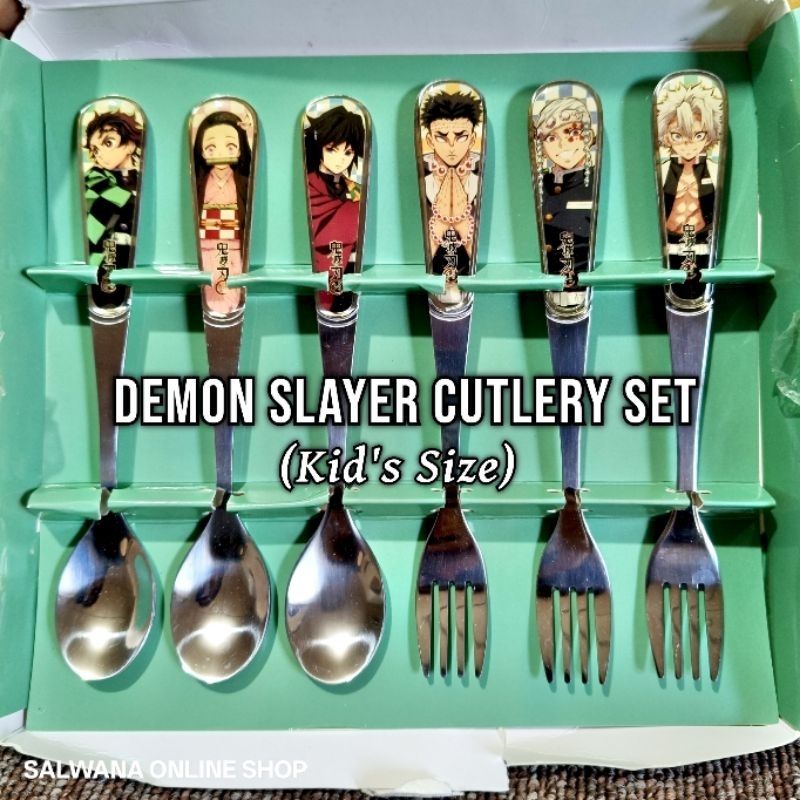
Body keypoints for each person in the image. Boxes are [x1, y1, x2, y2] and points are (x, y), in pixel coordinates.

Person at [656, 79, 724, 304]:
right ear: (667, 136)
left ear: (709, 136)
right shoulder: (663, 170)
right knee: (677, 289)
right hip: (671, 240)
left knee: (697, 290)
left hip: (702, 240)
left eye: (698, 135)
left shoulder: (711, 168)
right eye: (678, 135)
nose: (688, 144)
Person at [303, 103, 366, 315]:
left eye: (348, 152)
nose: (340, 159)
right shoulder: (308, 185)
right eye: (331, 149)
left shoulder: (355, 190)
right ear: (318, 146)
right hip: (321, 272)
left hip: (349, 273)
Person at [419, 89, 482, 290]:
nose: (452, 146)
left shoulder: (478, 178)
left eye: (461, 136)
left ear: (473, 138)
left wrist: (462, 221)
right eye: (442, 137)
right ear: (430, 140)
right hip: (435, 276)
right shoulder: (424, 178)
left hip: (467, 276)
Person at [192, 110, 253, 317]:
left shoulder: (243, 183)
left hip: (233, 245)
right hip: (206, 246)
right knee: (210, 289)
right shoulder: (198, 184)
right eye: (211, 147)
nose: (220, 153)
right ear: (201, 151)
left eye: (230, 146)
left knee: (231, 289)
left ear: (240, 150)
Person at [82, 109, 144, 308]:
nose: (100, 153)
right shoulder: (93, 178)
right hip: (103, 260)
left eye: (108, 143)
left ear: (130, 144)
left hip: (138, 263)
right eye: (95, 148)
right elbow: (123, 202)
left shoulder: (143, 180)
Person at [533, 95, 596, 288]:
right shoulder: (541, 182)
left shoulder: (595, 181)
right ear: (542, 146)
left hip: (582, 280)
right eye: (551, 138)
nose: (562, 145)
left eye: (572, 132)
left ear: (588, 137)